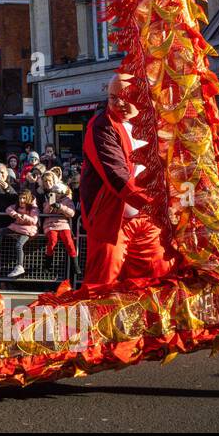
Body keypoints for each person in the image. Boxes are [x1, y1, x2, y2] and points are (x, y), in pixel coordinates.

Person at [78, 74, 168, 287]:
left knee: (158, 277)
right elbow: (117, 176)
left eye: (125, 97)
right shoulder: (101, 126)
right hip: (112, 219)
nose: (119, 103)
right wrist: (156, 205)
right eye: (112, 98)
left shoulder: (154, 123)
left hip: (147, 218)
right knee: (102, 284)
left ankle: (150, 321)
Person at [0, 189, 38, 279]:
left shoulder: (33, 208)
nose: (21, 200)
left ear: (28, 198)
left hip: (28, 230)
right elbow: (8, 209)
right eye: (20, 198)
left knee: (19, 245)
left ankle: (20, 266)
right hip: (17, 227)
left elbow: (34, 220)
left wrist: (25, 217)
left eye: (24, 198)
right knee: (1, 231)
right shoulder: (16, 206)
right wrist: (15, 214)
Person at [41, 171, 78, 283]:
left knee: (69, 241)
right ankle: (48, 262)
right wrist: (51, 204)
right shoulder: (49, 199)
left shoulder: (67, 200)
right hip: (51, 225)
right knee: (52, 241)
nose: (55, 194)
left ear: (61, 193)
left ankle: (75, 264)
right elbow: (46, 212)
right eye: (54, 192)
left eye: (57, 192)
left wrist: (60, 206)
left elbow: (71, 213)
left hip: (63, 224)